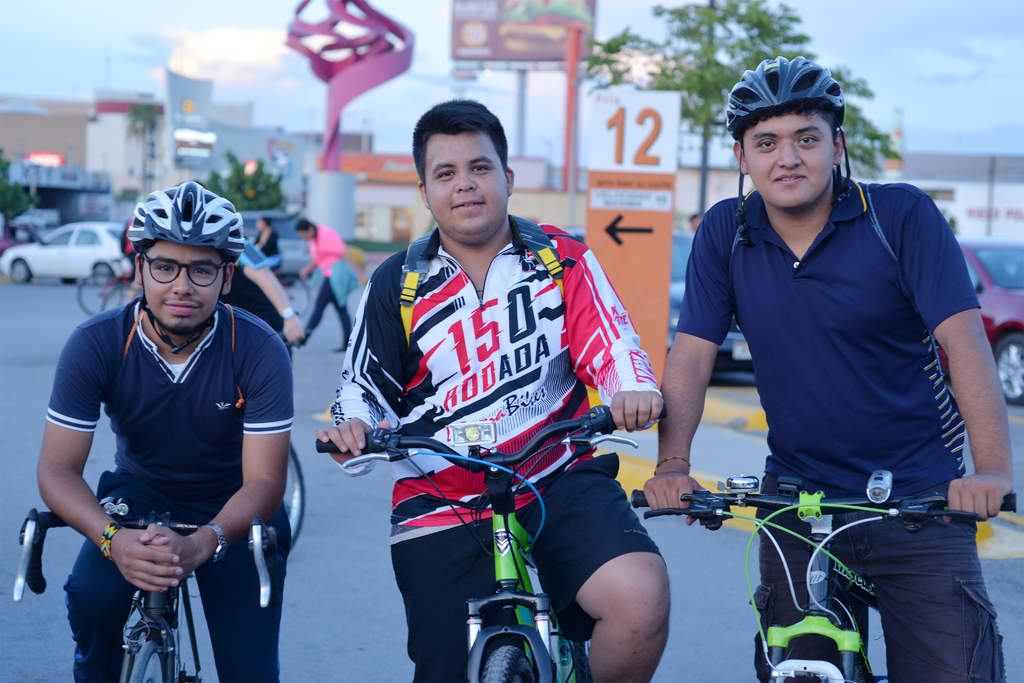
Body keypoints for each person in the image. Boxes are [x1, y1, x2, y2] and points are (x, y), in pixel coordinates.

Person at [644, 56, 1012, 681]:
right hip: (798, 502)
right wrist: (673, 464)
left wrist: (992, 470)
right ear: (742, 157)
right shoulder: (726, 232)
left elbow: (967, 344)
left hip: (918, 500)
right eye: (766, 143)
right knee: (800, 671)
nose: (787, 158)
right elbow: (693, 355)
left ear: (836, 146)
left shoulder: (900, 216)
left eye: (806, 139)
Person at [317, 99, 670, 682]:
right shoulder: (396, 282)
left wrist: (631, 389)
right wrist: (353, 428)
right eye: (446, 173)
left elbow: (612, 345)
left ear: (507, 177)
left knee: (641, 598)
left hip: (556, 474)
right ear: (425, 192)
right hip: (441, 498)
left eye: (480, 168)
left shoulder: (560, 258)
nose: (465, 184)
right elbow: (362, 387)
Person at [38, 181, 294, 682]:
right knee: (91, 600)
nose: (181, 286)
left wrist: (201, 544)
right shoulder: (96, 342)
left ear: (226, 278)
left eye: (201, 269)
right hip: (138, 494)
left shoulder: (260, 348)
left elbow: (265, 482)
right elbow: (57, 468)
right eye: (164, 267)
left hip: (233, 500)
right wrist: (112, 540)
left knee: (249, 669)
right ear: (139, 269)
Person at [295, 218, 365, 352]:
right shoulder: (313, 239)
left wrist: (360, 274)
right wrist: (307, 270)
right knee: (341, 309)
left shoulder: (326, 234)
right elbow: (318, 258)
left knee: (320, 305)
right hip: (328, 274)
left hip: (336, 276)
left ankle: (304, 337)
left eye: (304, 235)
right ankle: (348, 342)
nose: (304, 238)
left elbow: (345, 254)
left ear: (310, 229)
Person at [221, 238, 306, 346]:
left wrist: (288, 315)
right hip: (234, 327)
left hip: (264, 324)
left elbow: (262, 272)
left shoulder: (235, 239)